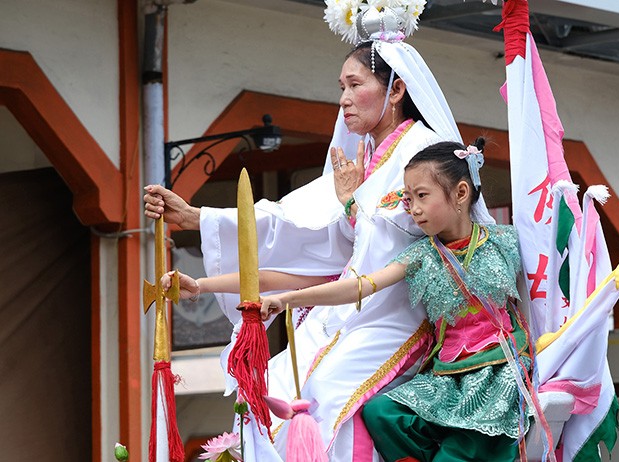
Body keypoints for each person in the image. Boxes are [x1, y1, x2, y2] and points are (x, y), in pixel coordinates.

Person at [145, 2, 495, 460]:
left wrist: (353, 201)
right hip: (348, 302)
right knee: (269, 381)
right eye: (341, 88)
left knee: (326, 390)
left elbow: (425, 239)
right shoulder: (357, 159)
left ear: (395, 89)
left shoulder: (425, 153)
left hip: (400, 309)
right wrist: (198, 218)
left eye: (355, 85)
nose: (344, 99)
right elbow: (293, 220)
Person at [258, 140, 533, 462]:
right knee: (381, 412)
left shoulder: (507, 241)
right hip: (445, 375)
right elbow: (360, 286)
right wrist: (289, 299)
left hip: (498, 373)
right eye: (408, 197)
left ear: (460, 193)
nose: (413, 208)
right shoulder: (420, 255)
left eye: (422, 195)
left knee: (459, 452)